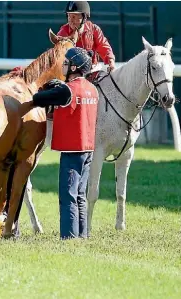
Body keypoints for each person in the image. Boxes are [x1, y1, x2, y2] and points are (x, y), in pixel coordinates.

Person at [24, 47, 99, 239]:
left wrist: (51, 87)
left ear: (75, 66)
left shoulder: (68, 90)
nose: (63, 66)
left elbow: (38, 99)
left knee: (68, 195)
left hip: (72, 149)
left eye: (66, 63)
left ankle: (69, 237)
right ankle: (82, 235)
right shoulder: (92, 89)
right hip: (88, 148)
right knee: (80, 195)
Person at [58, 1, 116, 71]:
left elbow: (103, 45)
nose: (71, 20)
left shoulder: (94, 29)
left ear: (84, 17)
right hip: (72, 72)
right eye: (69, 16)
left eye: (74, 17)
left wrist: (111, 61)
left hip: (92, 70)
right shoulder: (63, 32)